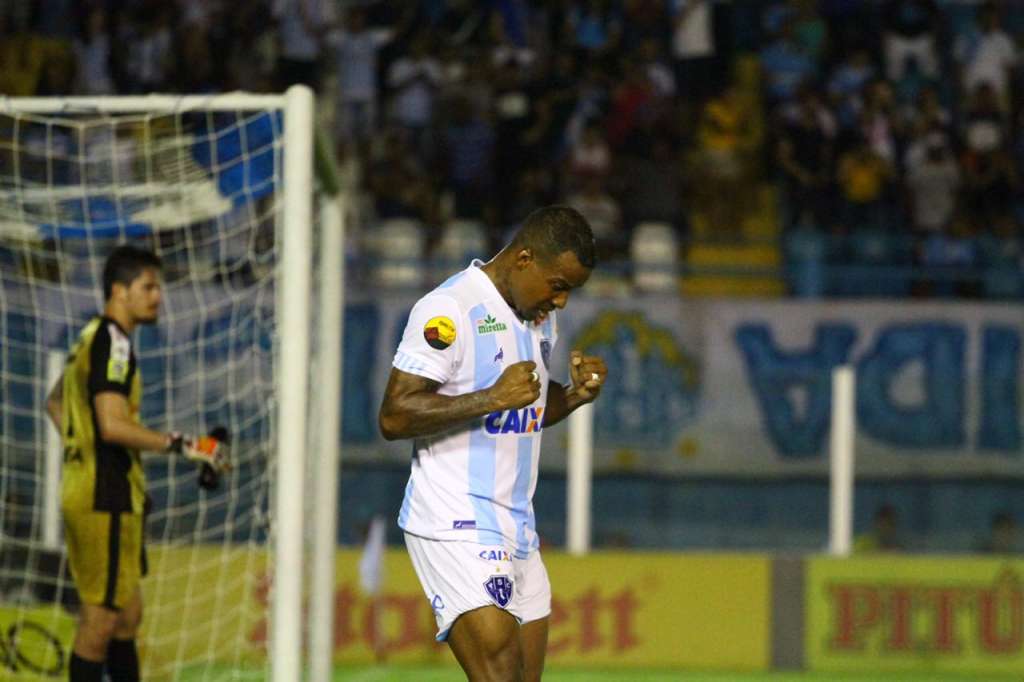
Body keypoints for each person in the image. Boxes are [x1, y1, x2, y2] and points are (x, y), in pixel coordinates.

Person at [379, 206, 607, 682]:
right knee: (500, 672)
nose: (561, 302)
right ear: (524, 259)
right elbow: (394, 415)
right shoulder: (449, 310)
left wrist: (573, 397)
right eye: (558, 285)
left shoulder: (538, 317)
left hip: (516, 523)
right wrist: (490, 396)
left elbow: (526, 412)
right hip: (454, 517)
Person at [45, 245, 229, 682]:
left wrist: (81, 449)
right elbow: (112, 425)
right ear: (119, 291)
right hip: (102, 497)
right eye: (148, 286)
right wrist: (187, 445)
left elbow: (55, 403)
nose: (157, 296)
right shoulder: (113, 343)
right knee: (101, 621)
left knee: (128, 615)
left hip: (101, 490)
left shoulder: (91, 336)